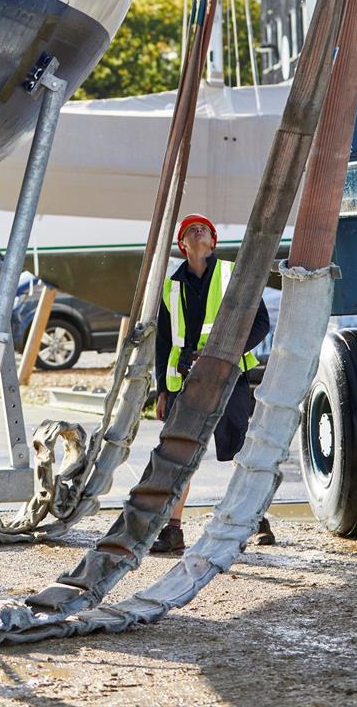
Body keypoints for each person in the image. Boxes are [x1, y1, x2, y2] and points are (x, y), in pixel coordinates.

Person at [152, 213, 274, 554]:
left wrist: (226, 352)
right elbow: (163, 341)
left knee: (240, 450)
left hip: (227, 376)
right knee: (179, 455)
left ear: (213, 241)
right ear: (183, 245)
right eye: (190, 228)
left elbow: (261, 322)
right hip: (183, 381)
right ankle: (173, 530)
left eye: (204, 227)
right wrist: (162, 388)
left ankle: (256, 521)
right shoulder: (170, 286)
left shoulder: (233, 274)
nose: (198, 228)